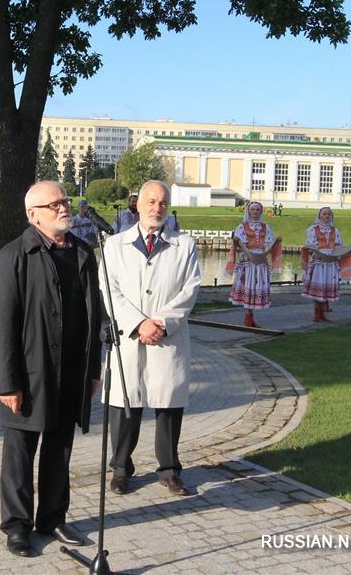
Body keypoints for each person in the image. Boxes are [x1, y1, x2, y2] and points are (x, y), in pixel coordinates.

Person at [0, 181, 102, 557]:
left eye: (65, 201)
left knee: (60, 450)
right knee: (20, 453)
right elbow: (2, 324)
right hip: (29, 375)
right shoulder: (14, 255)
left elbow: (95, 318)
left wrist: (93, 370)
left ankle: (52, 517)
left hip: (71, 372)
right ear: (33, 214)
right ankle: (17, 525)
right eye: (54, 204)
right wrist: (8, 382)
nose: (63, 208)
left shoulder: (84, 254)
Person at [100, 180, 201, 497]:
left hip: (166, 338)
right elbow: (109, 289)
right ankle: (120, 468)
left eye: (162, 203)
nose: (156, 208)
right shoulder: (115, 245)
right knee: (125, 405)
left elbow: (190, 289)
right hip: (130, 338)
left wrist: (161, 322)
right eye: (150, 202)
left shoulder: (184, 245)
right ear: (138, 205)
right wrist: (138, 323)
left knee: (168, 406)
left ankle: (169, 470)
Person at [226, 201, 282, 328]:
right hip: (248, 260)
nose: (255, 212)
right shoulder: (242, 227)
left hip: (261, 259)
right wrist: (249, 253)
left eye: (257, 210)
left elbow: (268, 243)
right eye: (253, 209)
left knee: (256, 286)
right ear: (249, 211)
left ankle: (250, 317)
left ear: (261, 212)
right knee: (248, 285)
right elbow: (240, 243)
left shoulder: (265, 227)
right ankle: (248, 317)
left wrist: (273, 244)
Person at [301, 207, 351, 322]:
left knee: (326, 288)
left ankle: (322, 313)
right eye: (325, 214)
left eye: (329, 214)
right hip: (319, 262)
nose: (327, 216)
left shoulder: (335, 231)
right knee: (318, 288)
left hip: (330, 262)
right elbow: (309, 246)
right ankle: (316, 313)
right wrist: (317, 252)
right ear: (320, 216)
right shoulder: (313, 230)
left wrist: (349, 250)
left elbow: (338, 247)